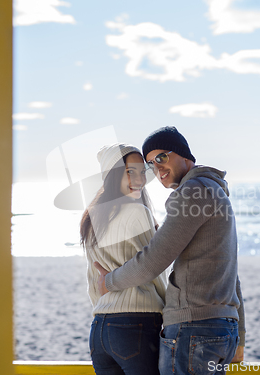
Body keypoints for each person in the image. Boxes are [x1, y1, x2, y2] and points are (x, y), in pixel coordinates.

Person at [94, 127, 246, 375]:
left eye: (162, 157)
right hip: (222, 331)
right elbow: (232, 272)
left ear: (184, 155)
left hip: (193, 330)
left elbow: (154, 260)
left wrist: (108, 282)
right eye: (151, 164)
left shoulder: (191, 193)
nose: (157, 168)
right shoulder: (217, 192)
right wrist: (240, 336)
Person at [80, 143, 168, 375]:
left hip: (100, 329)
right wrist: (166, 309)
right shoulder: (138, 212)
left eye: (142, 172)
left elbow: (93, 279)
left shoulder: (91, 216)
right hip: (136, 324)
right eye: (131, 172)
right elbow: (153, 269)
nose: (140, 180)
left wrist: (104, 308)